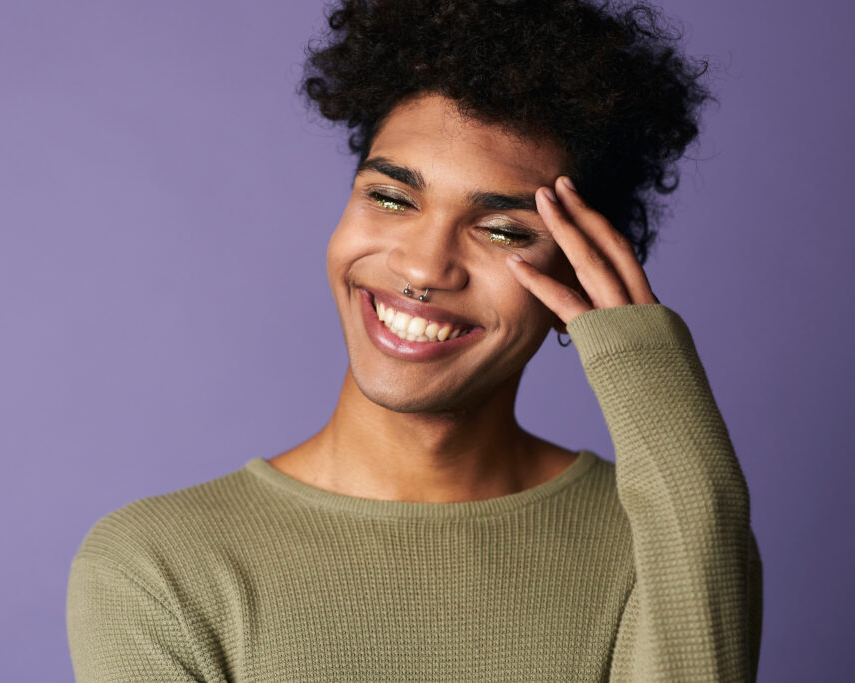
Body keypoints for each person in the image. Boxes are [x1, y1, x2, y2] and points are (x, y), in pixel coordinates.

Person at [66, 0, 763, 680]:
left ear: (576, 282)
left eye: (504, 231)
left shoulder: (662, 538)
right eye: (392, 198)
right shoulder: (156, 566)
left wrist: (654, 383)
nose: (425, 268)